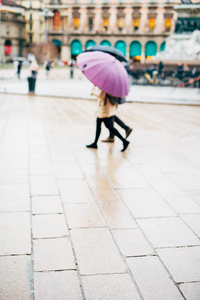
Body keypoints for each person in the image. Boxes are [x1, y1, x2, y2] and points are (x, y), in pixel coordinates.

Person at [86, 85, 130, 152]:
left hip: (104, 110)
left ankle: (124, 141)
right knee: (100, 125)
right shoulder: (112, 86)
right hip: (108, 108)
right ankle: (95, 143)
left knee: (109, 127)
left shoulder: (106, 86)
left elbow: (101, 95)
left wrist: (93, 89)